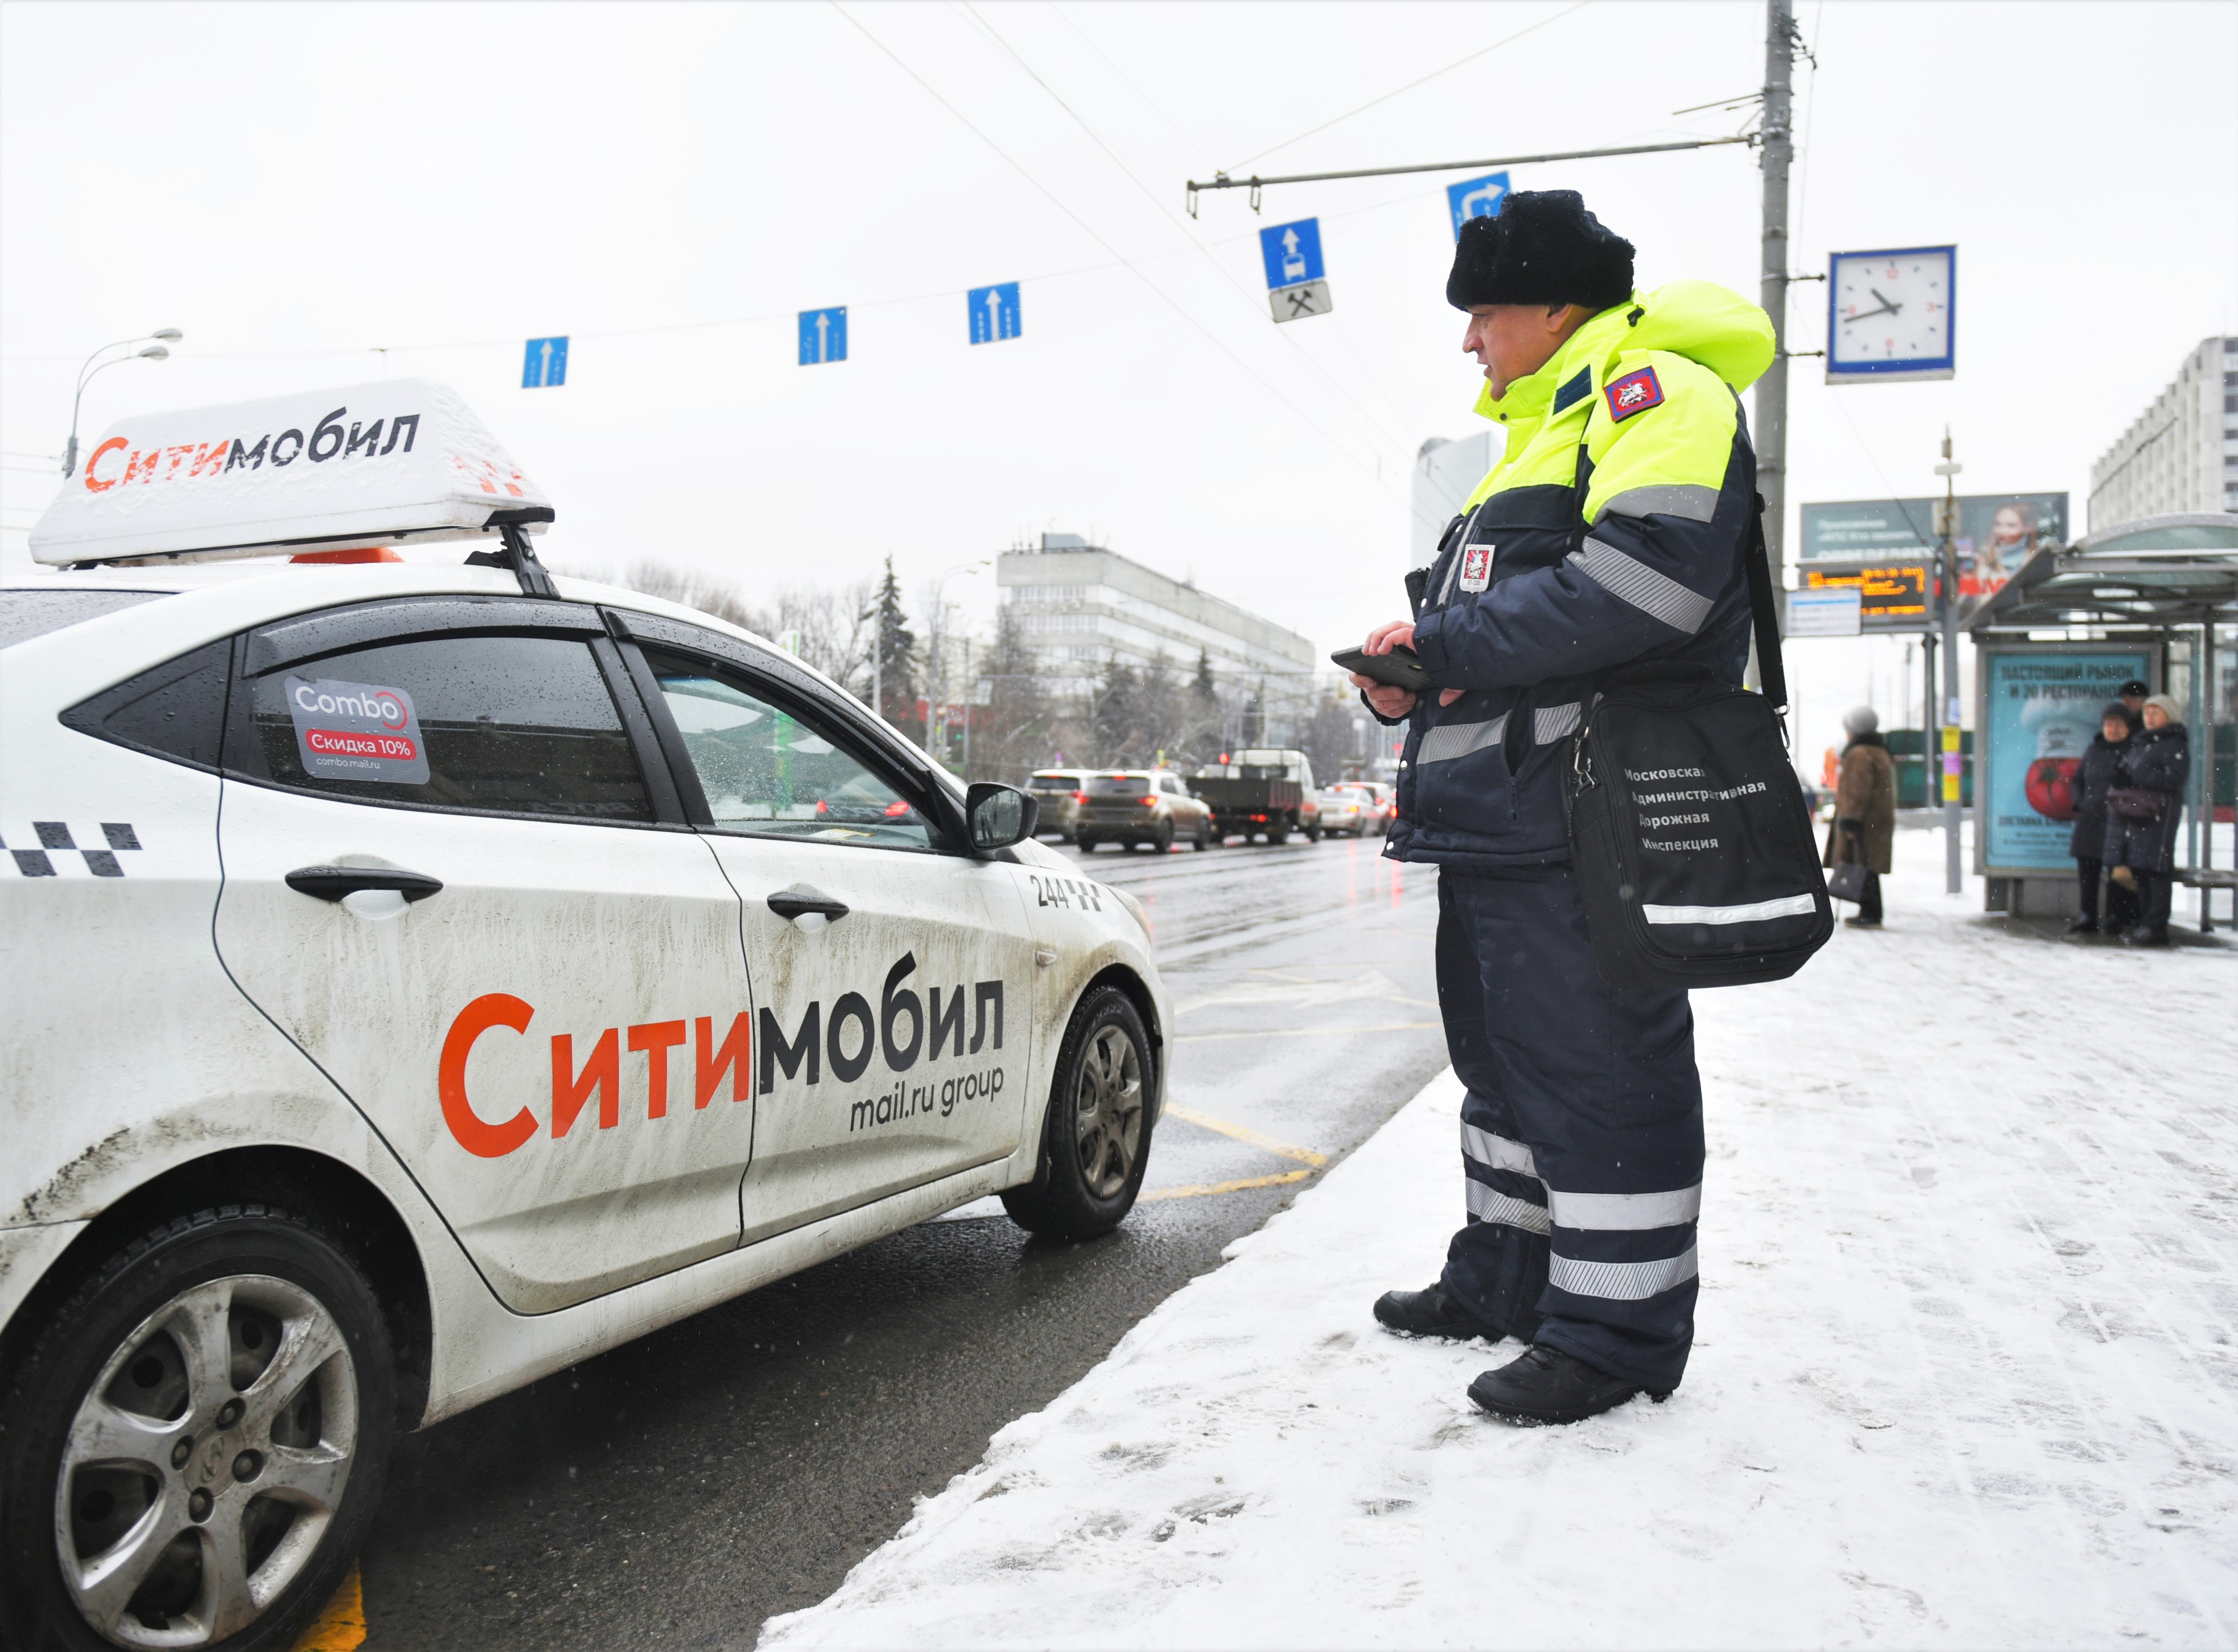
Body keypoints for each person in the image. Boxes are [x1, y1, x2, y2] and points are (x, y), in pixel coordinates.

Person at [1348, 190, 1774, 1425]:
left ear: (1554, 306)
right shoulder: (1538, 438)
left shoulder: (1658, 396)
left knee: (1594, 1076)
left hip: (1587, 816)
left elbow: (1644, 587)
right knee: (1505, 1071)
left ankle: (1614, 1334)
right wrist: (1407, 670)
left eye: (1482, 311)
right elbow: (1494, 632)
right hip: (1501, 818)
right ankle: (1508, 1276)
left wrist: (1442, 643)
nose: (1469, 341)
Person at [2104, 694, 2190, 947]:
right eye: (2147, 713)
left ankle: (2156, 927)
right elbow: (2132, 771)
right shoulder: (2142, 742)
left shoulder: (2174, 744)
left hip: (2158, 816)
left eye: (2156, 713)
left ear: (2169, 716)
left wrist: (2137, 778)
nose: (2150, 718)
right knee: (2140, 868)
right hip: (2137, 816)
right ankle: (2146, 924)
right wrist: (2120, 776)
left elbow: (2174, 779)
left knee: (2156, 868)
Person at [2065, 702, 2135, 935]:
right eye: (2108, 724)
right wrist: (2079, 802)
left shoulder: (2134, 750)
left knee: (2116, 870)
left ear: (2127, 727)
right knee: (2088, 868)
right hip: (2089, 819)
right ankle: (2088, 915)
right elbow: (2077, 780)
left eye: (2118, 724)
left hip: (2119, 820)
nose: (2112, 729)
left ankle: (2117, 916)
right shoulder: (2093, 750)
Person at [1825, 706, 1895, 927]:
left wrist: (1851, 821)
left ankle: (1870, 913)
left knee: (1861, 864)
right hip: (1876, 820)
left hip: (1863, 820)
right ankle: (1871, 911)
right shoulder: (1880, 752)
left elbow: (1858, 790)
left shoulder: (1859, 754)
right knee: (1869, 866)